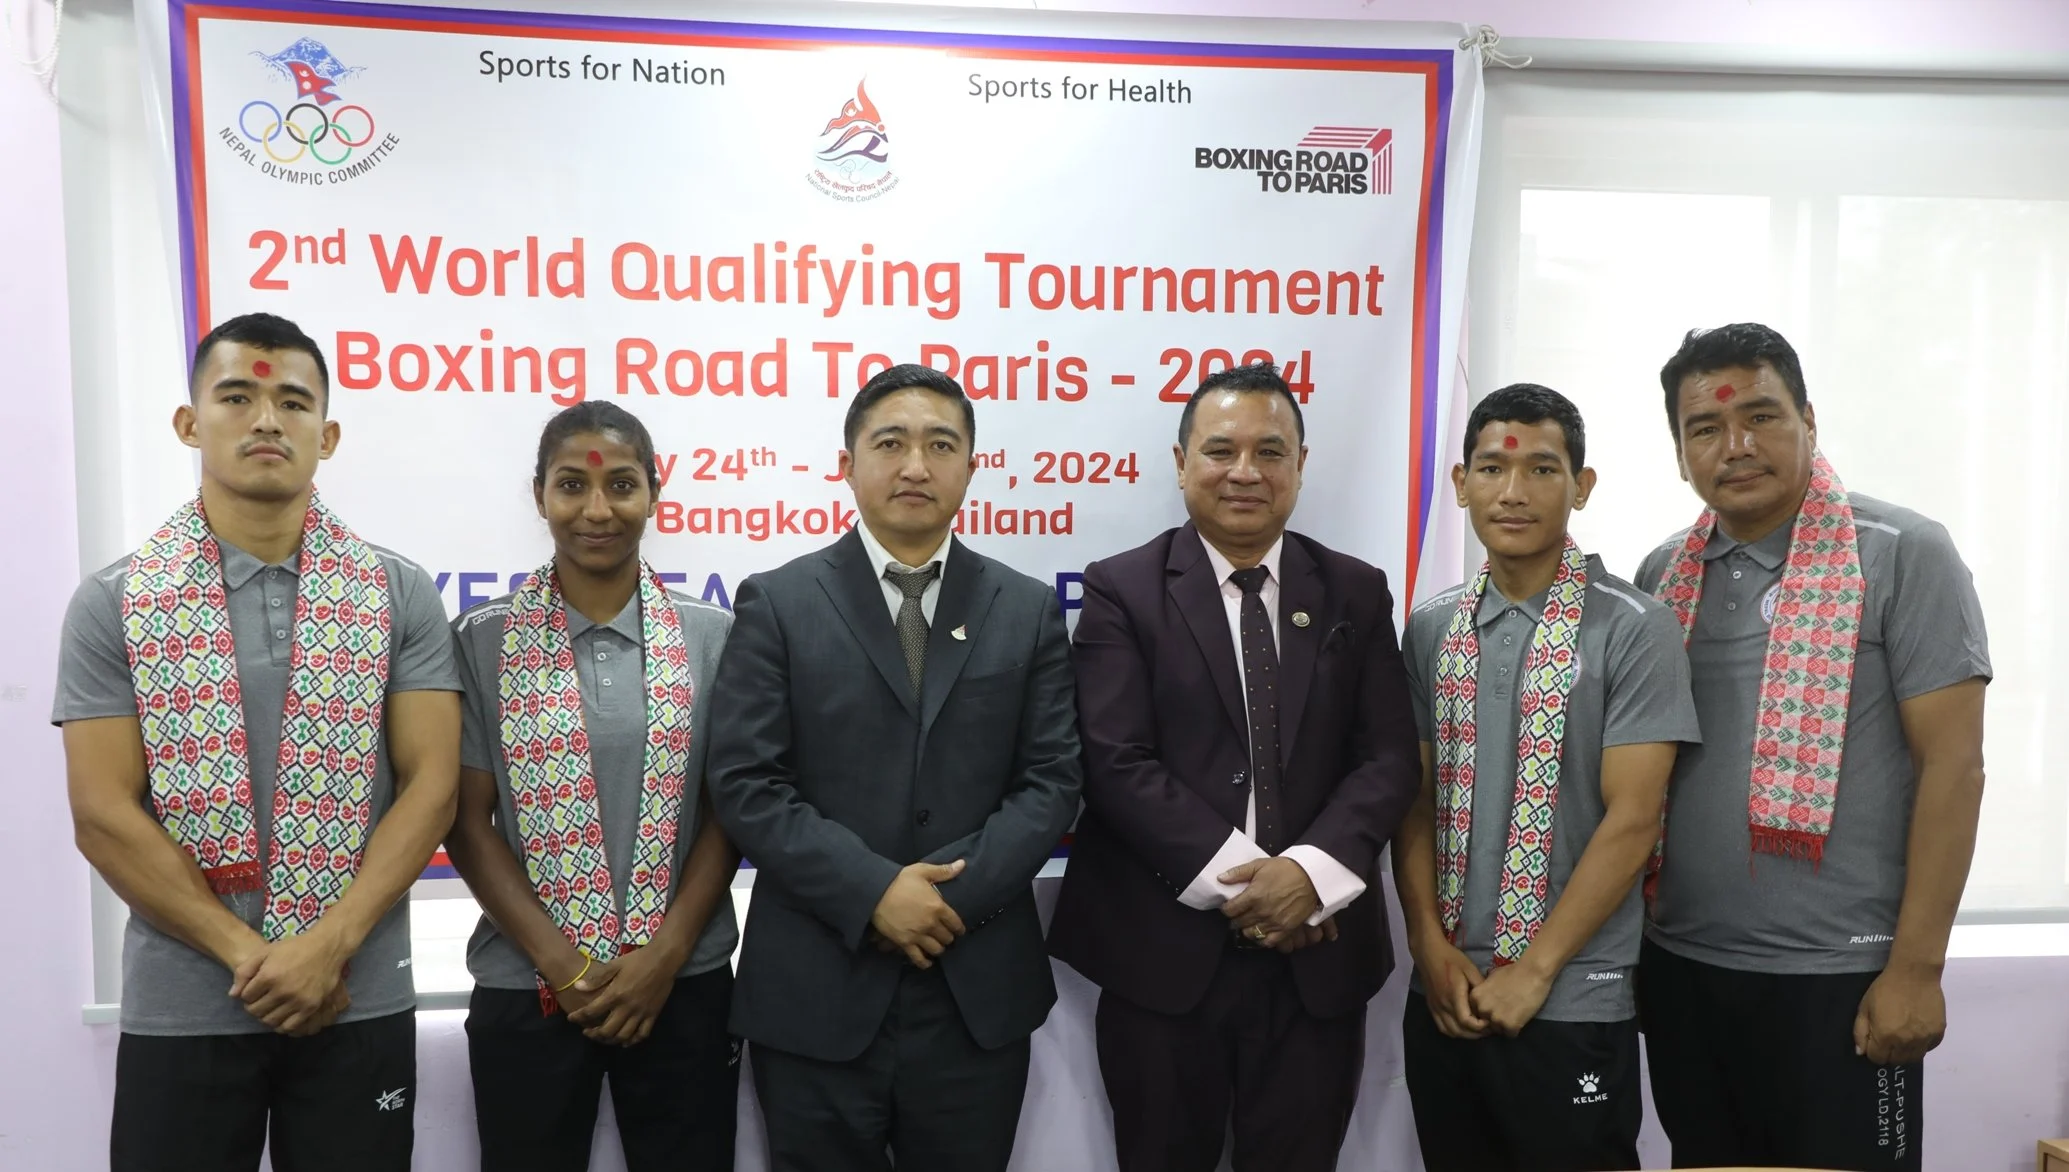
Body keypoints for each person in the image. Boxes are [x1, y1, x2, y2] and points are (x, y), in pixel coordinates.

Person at [54, 312, 461, 1171]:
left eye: (293, 402)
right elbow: (102, 813)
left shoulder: (397, 592)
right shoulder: (116, 601)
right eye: (237, 397)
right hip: (185, 1003)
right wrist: (253, 957)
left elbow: (430, 787)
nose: (267, 420)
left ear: (328, 434)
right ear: (189, 423)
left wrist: (328, 948)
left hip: (354, 993)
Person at [705, 363, 1082, 1172]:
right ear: (846, 464)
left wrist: (943, 903)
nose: (915, 465)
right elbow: (746, 782)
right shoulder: (778, 602)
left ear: (971, 467)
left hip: (974, 991)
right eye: (890, 443)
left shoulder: (1024, 608)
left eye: (940, 445)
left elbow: (1052, 780)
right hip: (815, 991)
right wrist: (873, 892)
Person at [1046, 362, 1421, 1172]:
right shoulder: (1122, 589)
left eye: (1269, 451)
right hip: (1161, 960)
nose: (1245, 471)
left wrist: (1308, 875)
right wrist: (1254, 885)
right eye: (1220, 450)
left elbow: (1388, 757)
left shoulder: (1353, 591)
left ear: (1300, 465)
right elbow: (1112, 760)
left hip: (1317, 959)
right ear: (1181, 463)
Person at [1634, 323, 1990, 1171]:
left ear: (1809, 421)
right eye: (1704, 427)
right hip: (1682, 967)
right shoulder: (1660, 577)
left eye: (1760, 416)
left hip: (1844, 978)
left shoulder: (1900, 553)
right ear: (1679, 454)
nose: (1735, 445)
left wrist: (1916, 970)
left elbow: (1953, 769)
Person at [1393, 383, 1699, 1172]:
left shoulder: (1633, 627)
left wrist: (1532, 973)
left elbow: (1633, 820)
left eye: (1540, 468)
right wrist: (1427, 947)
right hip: (1447, 991)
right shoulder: (1430, 627)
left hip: (1570, 996)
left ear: (1580, 485)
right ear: (1461, 484)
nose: (1513, 491)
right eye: (1491, 469)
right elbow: (1413, 800)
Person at [443, 402, 741, 1171]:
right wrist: (565, 967)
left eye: (622, 485)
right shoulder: (481, 639)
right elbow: (466, 822)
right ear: (539, 494)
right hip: (528, 980)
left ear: (654, 492)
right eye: (572, 485)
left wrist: (663, 958)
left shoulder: (714, 637)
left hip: (681, 981)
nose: (597, 510)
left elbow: (728, 812)